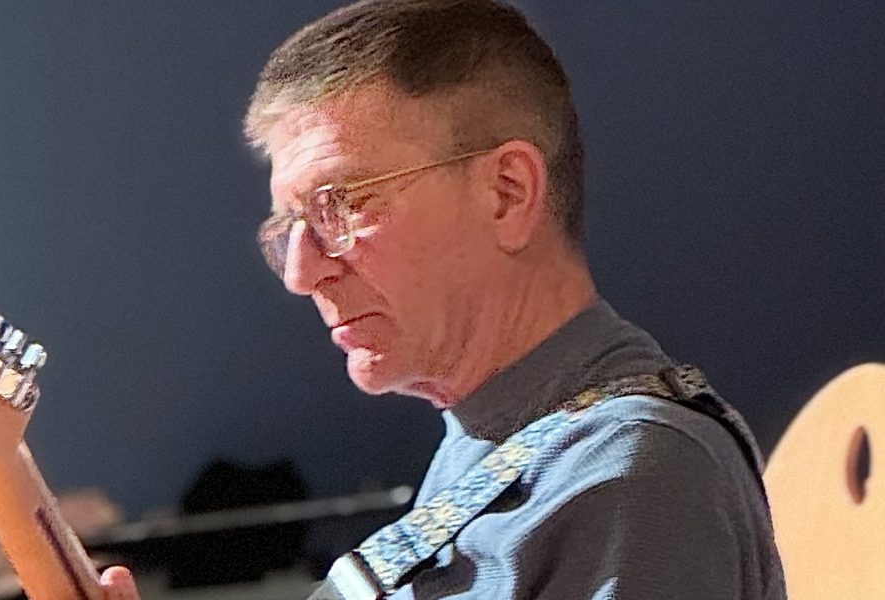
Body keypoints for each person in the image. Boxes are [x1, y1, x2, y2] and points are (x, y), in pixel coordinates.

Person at [101, 0, 788, 597]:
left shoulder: (636, 475)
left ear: (507, 193)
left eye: (340, 204)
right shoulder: (500, 442)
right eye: (288, 228)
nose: (301, 274)